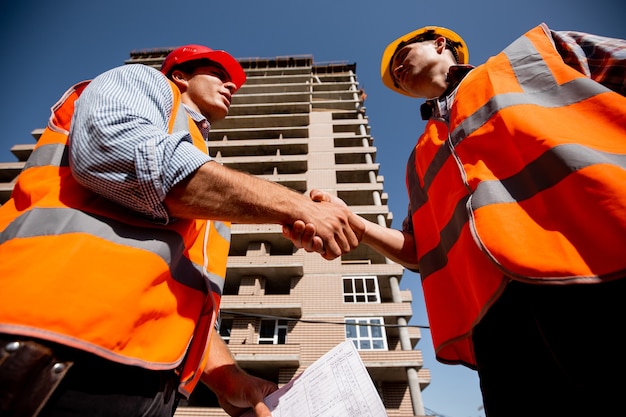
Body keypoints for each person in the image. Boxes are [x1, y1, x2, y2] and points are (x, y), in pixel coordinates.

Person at [0, 44, 363, 417]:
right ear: (181, 75)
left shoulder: (204, 183)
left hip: (147, 377)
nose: (231, 85)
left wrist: (227, 379)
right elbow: (116, 152)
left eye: (233, 83)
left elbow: (182, 297)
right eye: (219, 75)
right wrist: (297, 205)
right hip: (47, 344)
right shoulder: (140, 81)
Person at [287, 24, 626, 416]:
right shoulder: (420, 157)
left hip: (601, 263)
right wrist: (357, 225)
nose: (397, 71)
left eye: (401, 57)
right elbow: (420, 250)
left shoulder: (531, 54)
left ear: (439, 43)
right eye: (393, 75)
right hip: (499, 325)